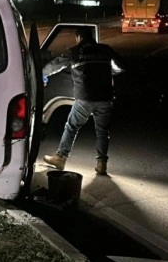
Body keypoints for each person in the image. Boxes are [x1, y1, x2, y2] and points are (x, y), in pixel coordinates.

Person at [42, 27, 124, 176]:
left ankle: (60, 157)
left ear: (79, 37)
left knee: (72, 126)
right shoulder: (105, 49)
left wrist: (41, 74)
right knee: (102, 131)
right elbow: (121, 66)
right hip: (105, 97)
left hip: (85, 98)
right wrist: (109, 70)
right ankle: (102, 164)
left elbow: (55, 65)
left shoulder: (75, 51)